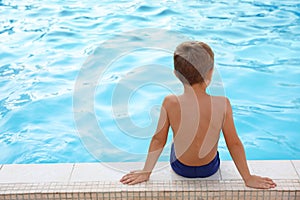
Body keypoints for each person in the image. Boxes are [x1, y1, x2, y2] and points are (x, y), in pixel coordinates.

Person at [120, 41, 276, 189]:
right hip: (209, 168)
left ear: (176, 74)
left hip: (181, 168)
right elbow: (233, 143)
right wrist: (247, 177)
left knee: (176, 138)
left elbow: (158, 140)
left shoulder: (170, 102)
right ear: (211, 72)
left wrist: (146, 172)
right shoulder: (222, 104)